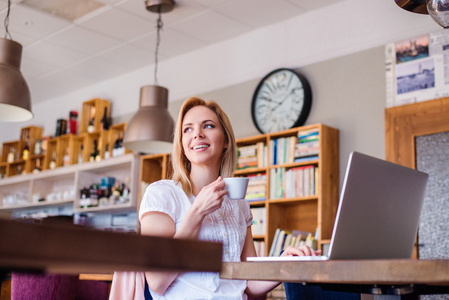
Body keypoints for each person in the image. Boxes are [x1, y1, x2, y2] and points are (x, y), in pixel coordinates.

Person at [138, 97, 321, 299]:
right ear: (182, 144)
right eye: (187, 129)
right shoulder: (162, 194)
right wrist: (197, 212)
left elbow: (249, 281)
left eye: (208, 126)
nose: (197, 134)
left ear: (226, 141)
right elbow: (156, 282)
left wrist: (285, 264)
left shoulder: (239, 203)